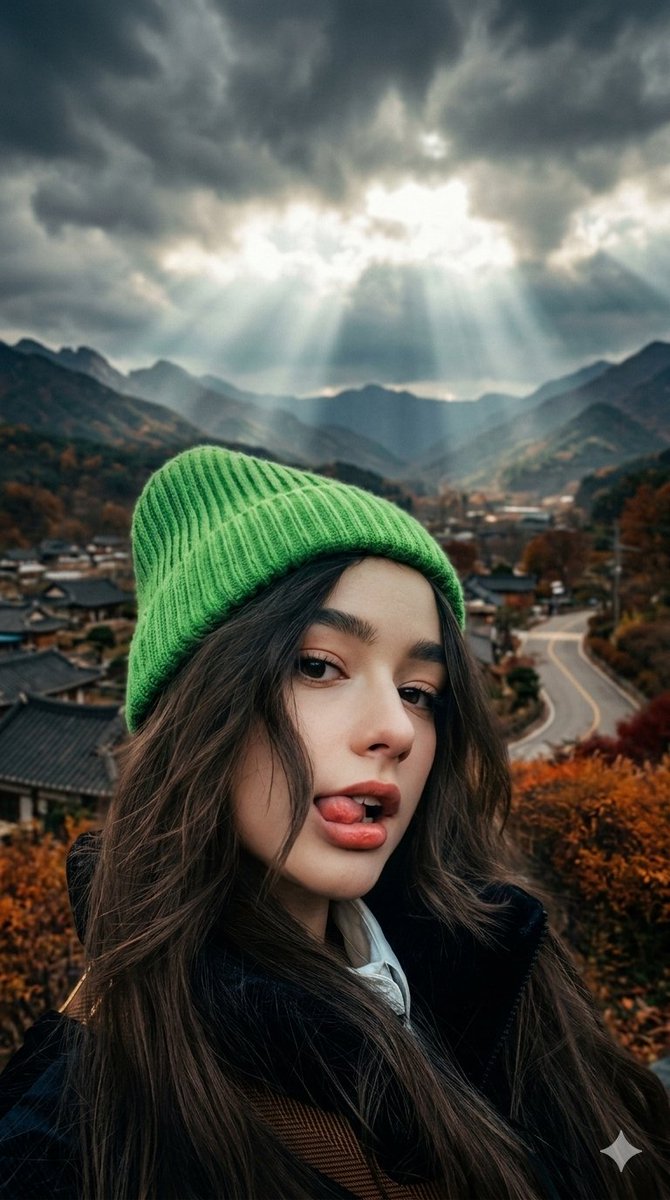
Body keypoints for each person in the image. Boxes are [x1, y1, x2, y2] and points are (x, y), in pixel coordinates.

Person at [0, 445, 668, 1200]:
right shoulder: (65, 1145)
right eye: (319, 665)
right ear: (198, 704)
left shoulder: (488, 956)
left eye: (420, 690)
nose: (397, 728)